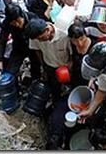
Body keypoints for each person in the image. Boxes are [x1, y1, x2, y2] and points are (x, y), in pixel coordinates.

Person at [24, 18, 72, 150]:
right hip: (50, 68)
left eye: (41, 38)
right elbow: (37, 50)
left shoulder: (64, 34)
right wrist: (44, 67)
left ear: (48, 30)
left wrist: (69, 68)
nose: (39, 41)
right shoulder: (36, 36)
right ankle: (56, 111)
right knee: (55, 92)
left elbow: (73, 54)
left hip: (65, 69)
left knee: (70, 94)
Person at [0, 4, 40, 79]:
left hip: (33, 47)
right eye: (13, 23)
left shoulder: (31, 18)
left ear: (22, 16)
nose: (17, 24)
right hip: (18, 47)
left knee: (36, 69)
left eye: (18, 21)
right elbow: (2, 41)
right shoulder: (7, 23)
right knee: (10, 71)